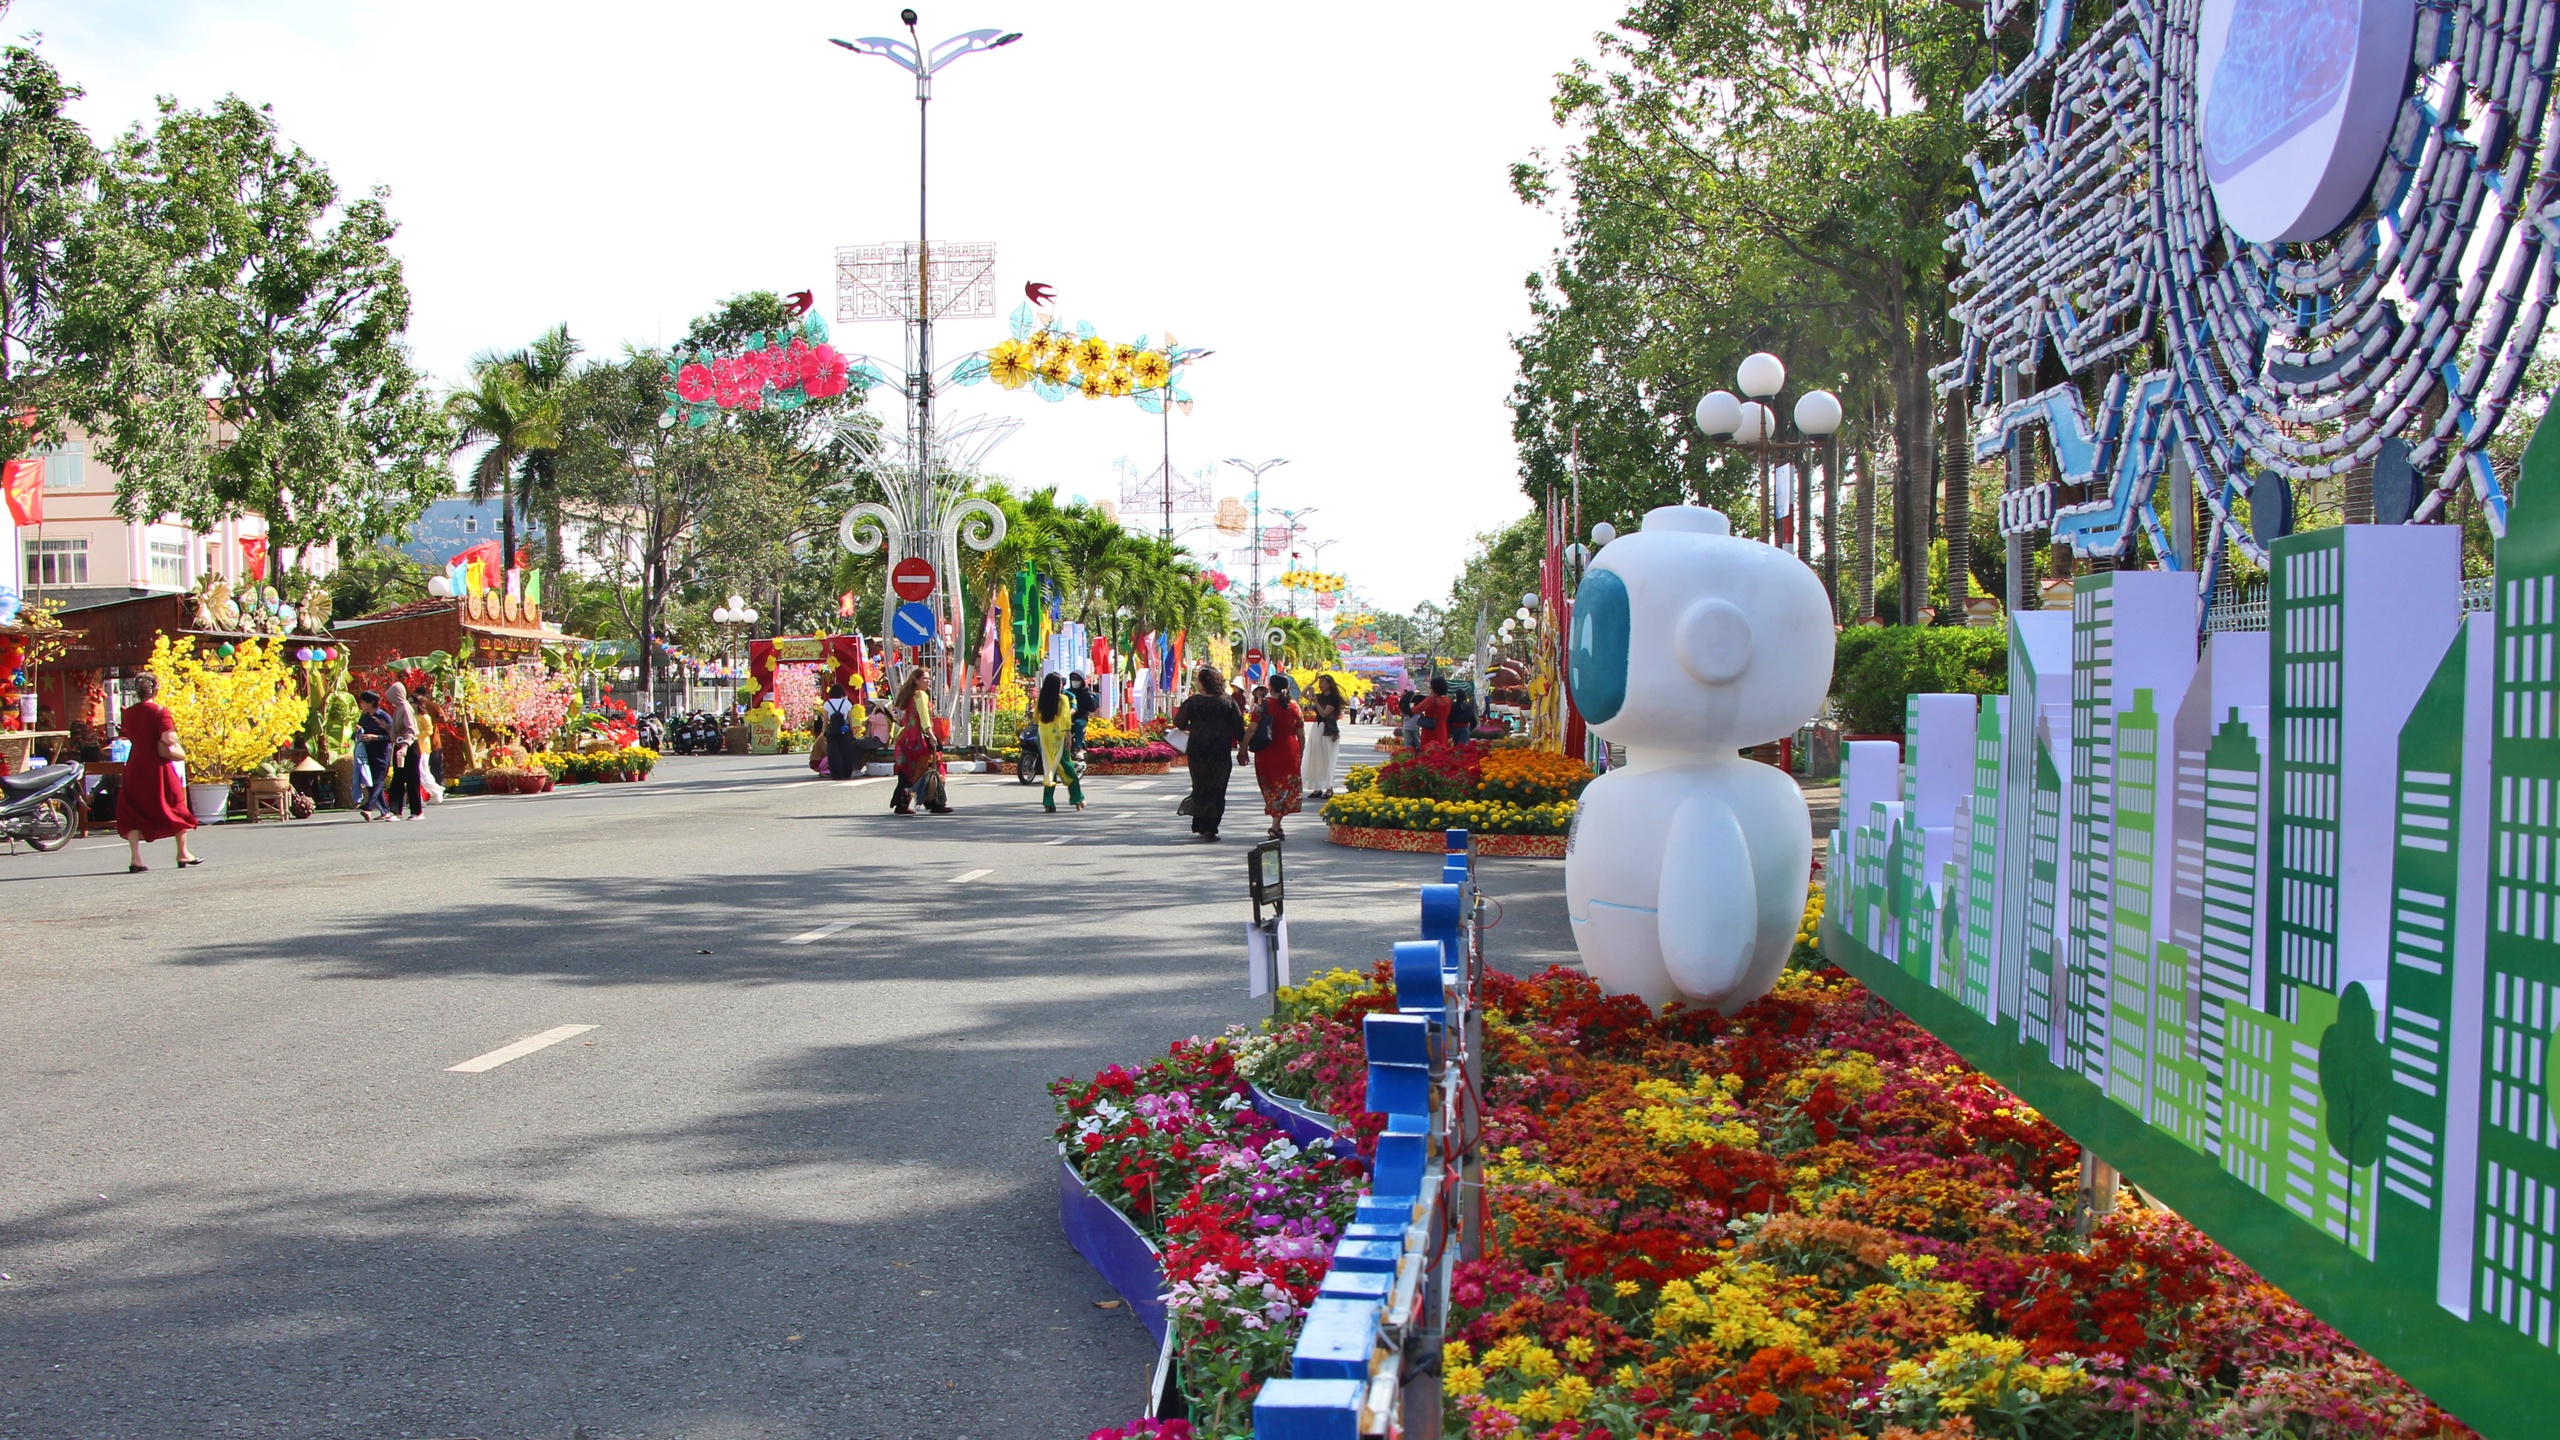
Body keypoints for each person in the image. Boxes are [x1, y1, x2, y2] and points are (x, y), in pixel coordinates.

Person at [113, 671, 200, 871]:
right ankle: (182, 852)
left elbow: (128, 734)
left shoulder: (129, 713)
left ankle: (136, 858)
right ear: (156, 689)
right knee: (174, 804)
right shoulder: (161, 712)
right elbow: (169, 739)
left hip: (135, 764)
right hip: (157, 765)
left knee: (133, 809)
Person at [1174, 665, 1243, 842]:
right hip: (1220, 751)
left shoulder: (1193, 702)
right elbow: (1239, 728)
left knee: (1201, 786)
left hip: (1198, 751)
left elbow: (1180, 723)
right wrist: (1243, 750)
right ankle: (1211, 827)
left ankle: (1200, 823)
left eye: (1198, 679)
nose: (1196, 682)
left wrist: (1196, 726)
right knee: (1218, 789)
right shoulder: (1228, 701)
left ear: (1205, 683)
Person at [1251, 673, 1306, 840]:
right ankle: (1277, 825)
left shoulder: (1262, 704)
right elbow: (1301, 733)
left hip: (1267, 751)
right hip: (1289, 750)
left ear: (1270, 687)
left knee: (1272, 787)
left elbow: (1252, 728)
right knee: (1284, 788)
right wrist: (1301, 752)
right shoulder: (1294, 706)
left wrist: (1244, 748)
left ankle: (1275, 827)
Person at [889, 670, 950, 815]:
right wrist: (930, 734)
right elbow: (924, 718)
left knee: (909, 772)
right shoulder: (921, 695)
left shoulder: (910, 696)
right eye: (925, 678)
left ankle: (902, 803)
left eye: (929, 678)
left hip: (908, 739)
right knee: (934, 769)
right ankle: (935, 803)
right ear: (916, 680)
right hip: (919, 740)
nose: (928, 681)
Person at [1033, 672, 1086, 813]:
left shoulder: (1041, 699)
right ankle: (1077, 798)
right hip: (1058, 736)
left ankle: (1048, 802)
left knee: (1049, 767)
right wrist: (1068, 736)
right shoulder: (1062, 699)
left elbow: (1035, 717)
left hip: (1043, 736)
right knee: (1068, 767)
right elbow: (1065, 718)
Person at [1302, 673, 1346, 800]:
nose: (1320, 685)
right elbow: (1302, 693)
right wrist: (1313, 680)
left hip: (1328, 730)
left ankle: (1329, 788)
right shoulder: (1319, 696)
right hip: (1317, 728)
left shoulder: (1332, 698)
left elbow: (1324, 714)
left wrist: (1316, 702)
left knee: (1327, 758)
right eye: (1319, 683)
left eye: (1323, 682)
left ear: (1329, 684)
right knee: (1316, 758)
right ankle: (1317, 788)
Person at [385, 681, 424, 820]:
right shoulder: (399, 708)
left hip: (408, 746)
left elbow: (410, 729)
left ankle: (417, 811)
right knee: (398, 778)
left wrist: (405, 746)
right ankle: (395, 810)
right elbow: (397, 728)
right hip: (400, 745)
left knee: (412, 779)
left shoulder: (406, 709)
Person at [354, 689, 393, 819]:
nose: (362, 705)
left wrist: (375, 737)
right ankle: (385, 811)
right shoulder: (364, 717)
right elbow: (358, 735)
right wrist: (358, 732)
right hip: (367, 754)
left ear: (371, 703)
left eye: (364, 702)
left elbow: (391, 737)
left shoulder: (384, 717)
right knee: (370, 783)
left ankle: (368, 807)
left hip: (382, 754)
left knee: (377, 781)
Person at [820, 682, 859, 781]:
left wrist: (823, 731)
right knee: (846, 752)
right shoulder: (846, 703)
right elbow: (850, 719)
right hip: (844, 730)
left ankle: (836, 773)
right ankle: (847, 772)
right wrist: (852, 731)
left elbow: (825, 720)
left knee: (834, 753)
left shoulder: (827, 704)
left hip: (832, 731)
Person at [1417, 676, 1455, 753]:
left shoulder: (1430, 699)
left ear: (1434, 688)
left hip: (1430, 730)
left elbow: (1416, 710)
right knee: (1440, 754)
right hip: (1442, 729)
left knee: (1428, 753)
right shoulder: (1447, 700)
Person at [1067, 671, 1098, 755]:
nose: (1074, 681)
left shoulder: (1086, 693)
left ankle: (1078, 748)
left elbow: (1093, 708)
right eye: (1072, 679)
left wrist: (1087, 694)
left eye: (1077, 679)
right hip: (1066, 718)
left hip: (1080, 718)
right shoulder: (1067, 693)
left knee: (1078, 723)